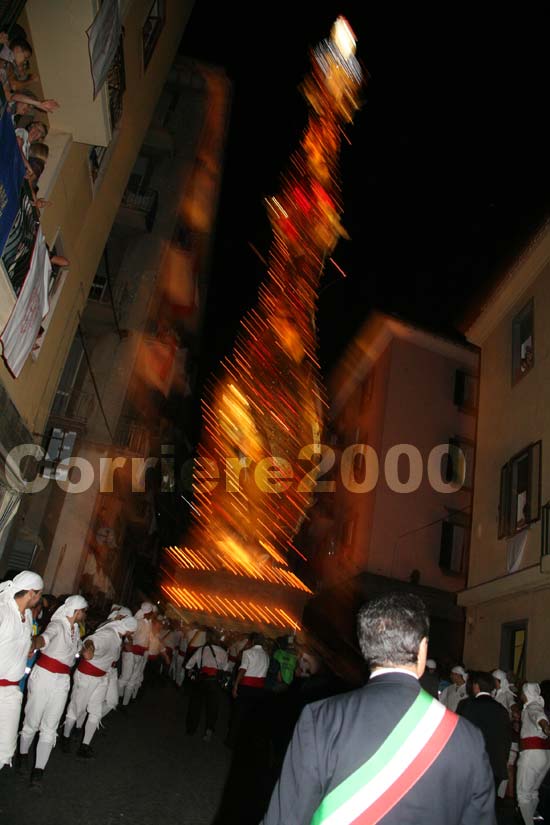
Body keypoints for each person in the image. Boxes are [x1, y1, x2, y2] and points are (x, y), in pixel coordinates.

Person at [260, 592, 495, 825]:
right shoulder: (467, 738)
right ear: (423, 649)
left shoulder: (321, 718)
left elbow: (284, 818)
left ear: (365, 649)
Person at [18, 594, 88, 787]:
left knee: (50, 726)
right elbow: (44, 639)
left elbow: (81, 648)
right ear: (77, 610)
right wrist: (33, 644)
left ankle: (38, 771)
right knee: (32, 721)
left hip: (62, 680)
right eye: (83, 611)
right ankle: (22, 756)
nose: (84, 614)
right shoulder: (57, 625)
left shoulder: (75, 630)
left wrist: (86, 648)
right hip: (44, 676)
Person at [0, 570, 43, 771]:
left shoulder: (26, 615)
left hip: (12, 692)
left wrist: (26, 649)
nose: (40, 599)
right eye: (40, 594)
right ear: (32, 593)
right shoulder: (2, 610)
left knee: (6, 750)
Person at [457, 670, 512, 788]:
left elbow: (461, 735)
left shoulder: (467, 705)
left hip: (473, 765)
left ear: (476, 686)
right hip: (496, 765)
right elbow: (507, 738)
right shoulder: (501, 709)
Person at [516, 683, 550, 825]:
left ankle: (529, 822)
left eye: (523, 692)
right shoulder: (534, 706)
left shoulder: (532, 706)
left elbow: (539, 716)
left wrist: (545, 726)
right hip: (544, 754)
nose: (521, 695)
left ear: (527, 694)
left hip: (532, 754)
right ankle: (533, 819)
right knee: (533, 792)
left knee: (523, 795)